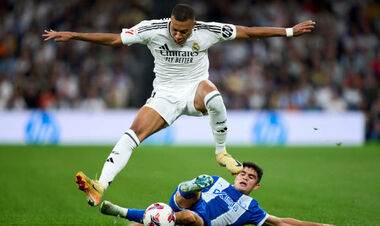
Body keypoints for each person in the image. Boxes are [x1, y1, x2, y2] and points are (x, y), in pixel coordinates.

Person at [42, 4, 316, 207]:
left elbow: (248, 32)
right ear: (170, 23)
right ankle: (100, 185)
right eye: (175, 29)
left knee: (214, 95)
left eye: (184, 31)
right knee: (132, 134)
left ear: (194, 26)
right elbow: (115, 39)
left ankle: (221, 152)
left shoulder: (207, 31)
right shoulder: (152, 28)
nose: (179, 35)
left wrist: (290, 31)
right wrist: (75, 35)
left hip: (194, 89)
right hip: (164, 96)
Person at [100, 162, 333, 226]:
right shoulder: (219, 181)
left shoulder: (252, 207)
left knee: (187, 217)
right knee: (189, 193)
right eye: (243, 174)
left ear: (256, 186)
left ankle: (122, 211)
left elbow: (281, 222)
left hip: (203, 221)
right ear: (235, 175)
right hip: (190, 200)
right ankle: (192, 185)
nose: (245, 177)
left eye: (251, 178)